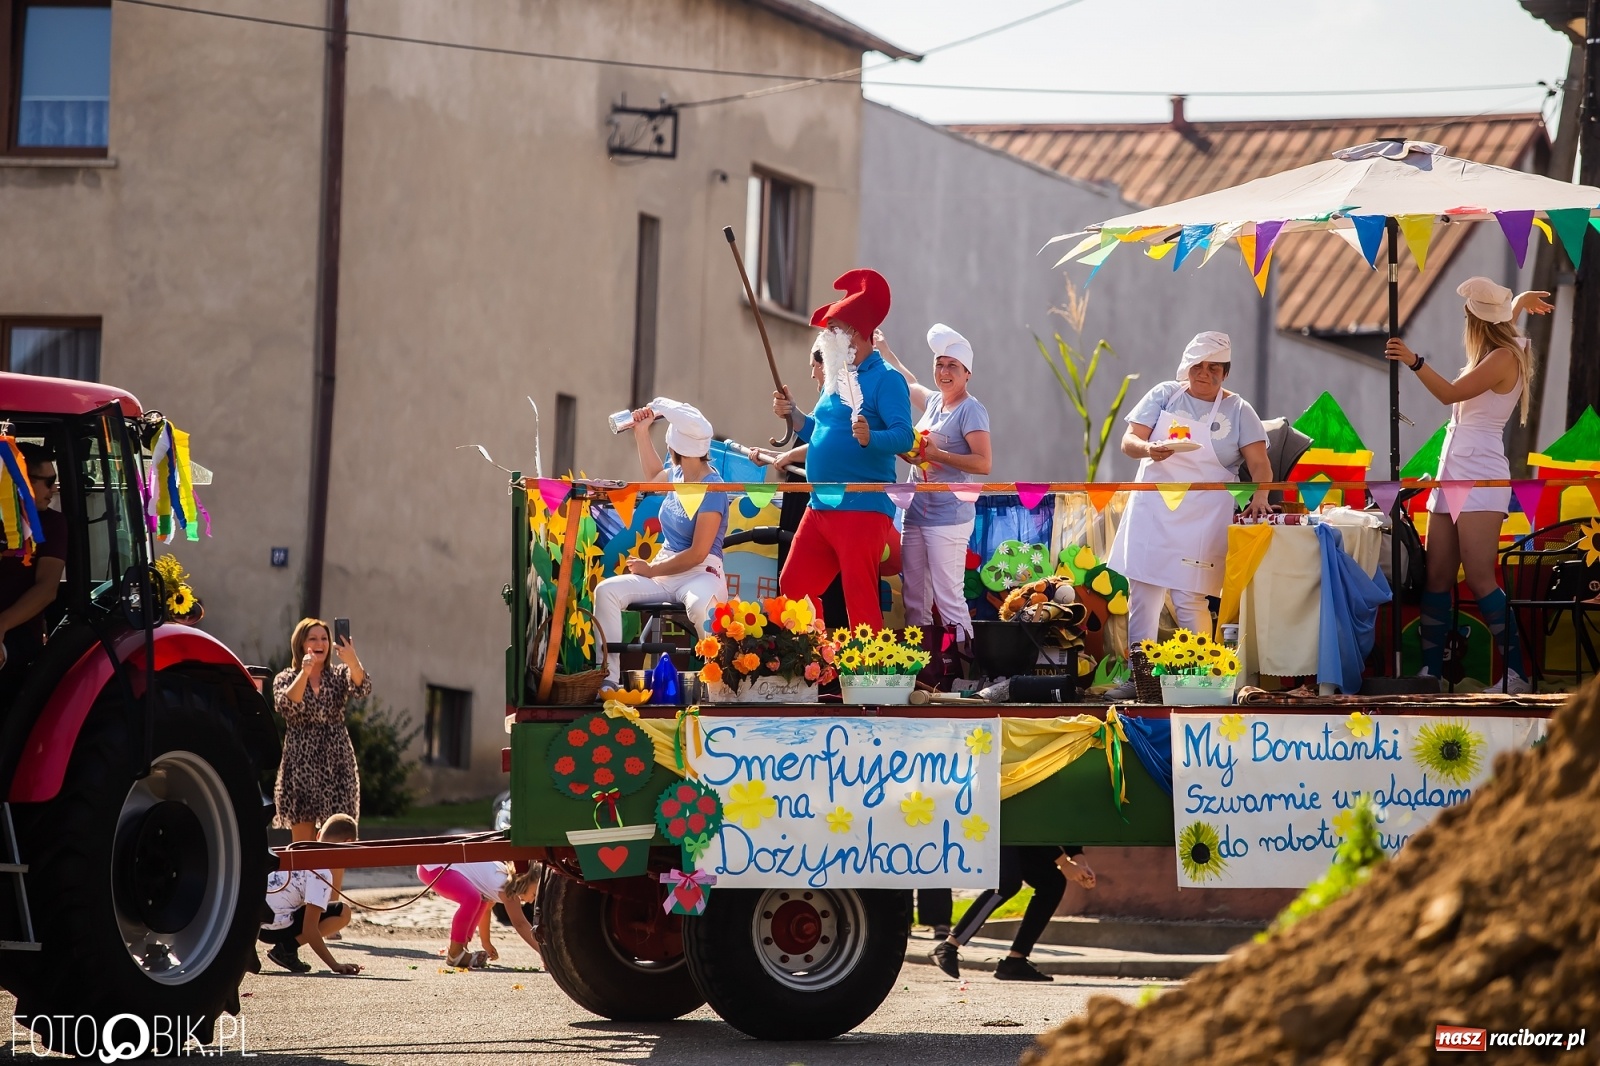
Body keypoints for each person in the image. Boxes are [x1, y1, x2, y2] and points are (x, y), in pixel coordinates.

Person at [1386, 279, 1552, 693]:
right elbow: (1506, 324)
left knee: (1480, 577)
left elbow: (1451, 393)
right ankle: (1431, 673)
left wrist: (1413, 359)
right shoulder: (1502, 346)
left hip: (1480, 476)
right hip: (1452, 474)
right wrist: (1516, 303)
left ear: (1475, 321)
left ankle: (1516, 674)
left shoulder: (1503, 356)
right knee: (1438, 576)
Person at [1105, 333, 1274, 701]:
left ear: (1225, 373)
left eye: (1214, 367)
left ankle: (1199, 680)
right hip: (1152, 508)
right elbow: (1129, 441)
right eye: (1198, 365)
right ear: (1187, 367)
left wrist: (1261, 495)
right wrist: (1149, 448)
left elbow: (1260, 463)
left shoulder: (1240, 410)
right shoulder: (1164, 394)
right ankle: (1141, 680)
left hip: (1203, 514)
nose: (1204, 373)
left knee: (1190, 598)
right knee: (1143, 596)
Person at [772, 269, 915, 627]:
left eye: (833, 329)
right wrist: (794, 416)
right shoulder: (837, 377)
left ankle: (870, 677)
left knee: (860, 601)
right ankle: (819, 664)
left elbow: (905, 437)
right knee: (794, 587)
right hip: (821, 505)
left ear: (854, 333)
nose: (826, 336)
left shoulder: (888, 380)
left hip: (862, 506)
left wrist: (872, 438)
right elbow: (821, 432)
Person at [592, 398, 729, 684]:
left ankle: (720, 682)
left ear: (676, 448)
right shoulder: (676, 473)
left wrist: (652, 570)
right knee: (606, 591)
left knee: (700, 605)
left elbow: (697, 553)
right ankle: (607, 679)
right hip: (665, 571)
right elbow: (655, 478)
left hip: (700, 573)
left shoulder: (713, 487)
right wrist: (641, 432)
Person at [879, 323, 991, 643]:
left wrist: (938, 454)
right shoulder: (933, 403)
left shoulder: (972, 410)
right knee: (915, 599)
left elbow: (983, 463)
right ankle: (927, 669)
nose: (944, 371)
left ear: (967, 372)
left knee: (948, 598)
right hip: (916, 513)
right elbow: (908, 381)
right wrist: (885, 351)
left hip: (950, 515)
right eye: (939, 364)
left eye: (952, 365)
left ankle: (966, 673)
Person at [931, 846, 1096, 982]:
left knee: (1052, 882)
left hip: (1027, 834)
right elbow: (1034, 820)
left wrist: (1080, 861)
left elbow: (1064, 823)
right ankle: (949, 945)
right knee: (1007, 883)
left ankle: (1015, 961)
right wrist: (1065, 863)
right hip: (1005, 823)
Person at [273, 618, 369, 842]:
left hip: (337, 764)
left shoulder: (338, 676)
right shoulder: (286, 677)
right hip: (301, 764)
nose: (321, 643)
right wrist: (304, 673)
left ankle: (334, 879)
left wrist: (352, 661)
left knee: (337, 842)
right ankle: (304, 878)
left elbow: (363, 688)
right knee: (304, 848)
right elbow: (287, 705)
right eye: (313, 638)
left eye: (325, 638)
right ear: (301, 643)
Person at [0, 444, 67, 696]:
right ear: (21, 480)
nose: (53, 491)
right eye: (48, 482)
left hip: (18, 634)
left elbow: (47, 589)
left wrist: (2, 625)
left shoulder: (52, 524)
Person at [259, 813, 360, 974]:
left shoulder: (300, 850)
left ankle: (284, 948)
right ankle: (286, 949)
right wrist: (335, 965)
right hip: (275, 930)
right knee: (343, 912)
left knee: (328, 907)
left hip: (257, 925)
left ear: (318, 835)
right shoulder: (322, 873)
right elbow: (309, 929)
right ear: (348, 844)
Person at [415, 860, 542, 969]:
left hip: (434, 867)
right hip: (434, 868)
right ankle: (455, 952)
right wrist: (545, 956)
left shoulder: (501, 881)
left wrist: (486, 942)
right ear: (525, 881)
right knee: (472, 898)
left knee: (481, 901)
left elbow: (486, 909)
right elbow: (520, 923)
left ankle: (461, 947)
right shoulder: (508, 892)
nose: (532, 900)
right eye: (534, 894)